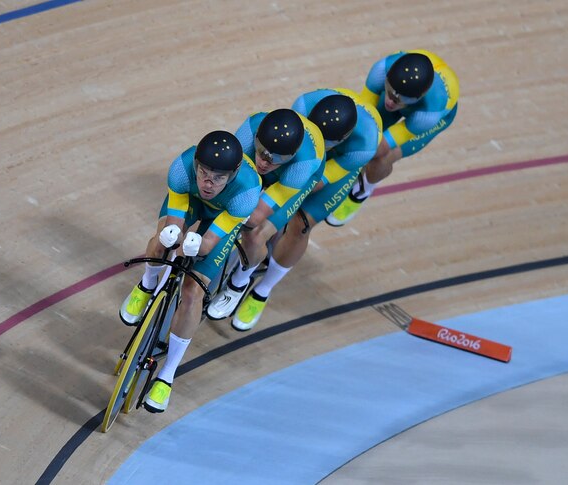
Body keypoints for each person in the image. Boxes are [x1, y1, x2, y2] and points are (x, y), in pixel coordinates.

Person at [119, 130, 262, 413]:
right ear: (196, 164)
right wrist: (173, 238)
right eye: (204, 172)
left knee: (192, 290)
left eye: (218, 177)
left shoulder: (247, 190)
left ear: (232, 175)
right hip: (189, 201)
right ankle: (147, 284)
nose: (208, 183)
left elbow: (208, 243)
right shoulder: (182, 169)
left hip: (222, 216)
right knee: (164, 238)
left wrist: (196, 246)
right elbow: (173, 222)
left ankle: (167, 375)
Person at [218, 89, 383, 330]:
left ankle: (262, 291)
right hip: (297, 158)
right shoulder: (305, 104)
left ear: (339, 141)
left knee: (300, 224)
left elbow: (314, 184)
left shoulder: (363, 145)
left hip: (333, 171)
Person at [205, 109, 325, 329]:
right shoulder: (249, 130)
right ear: (256, 139)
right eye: (260, 151)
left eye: (275, 159)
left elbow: (257, 215)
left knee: (255, 231)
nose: (263, 162)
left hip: (290, 179)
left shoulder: (302, 165)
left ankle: (238, 285)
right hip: (272, 155)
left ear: (290, 156)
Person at [326, 50, 460, 226]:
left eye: (398, 100)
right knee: (359, 130)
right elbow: (363, 117)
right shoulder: (380, 70)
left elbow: (381, 145)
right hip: (408, 97)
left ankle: (361, 192)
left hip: (430, 116)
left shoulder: (429, 113)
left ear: (418, 97)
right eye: (389, 92)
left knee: (382, 156)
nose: (390, 102)